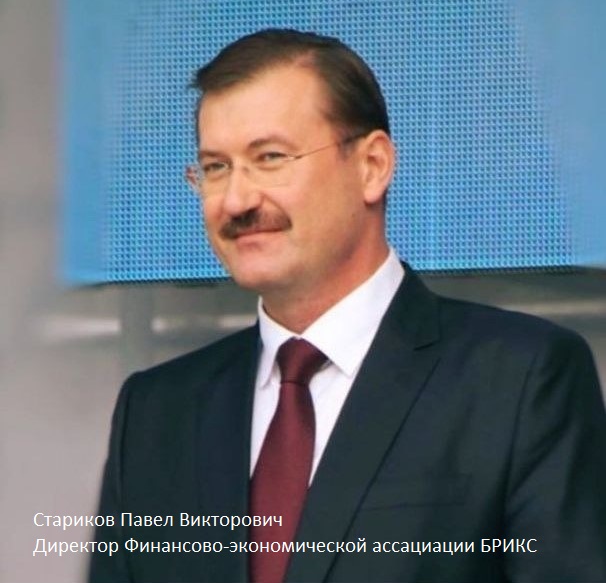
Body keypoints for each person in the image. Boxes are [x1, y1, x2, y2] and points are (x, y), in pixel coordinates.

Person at [89, 29, 606, 583]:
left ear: (372, 166)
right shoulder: (156, 412)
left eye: (270, 158)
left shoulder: (521, 379)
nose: (236, 200)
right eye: (216, 167)